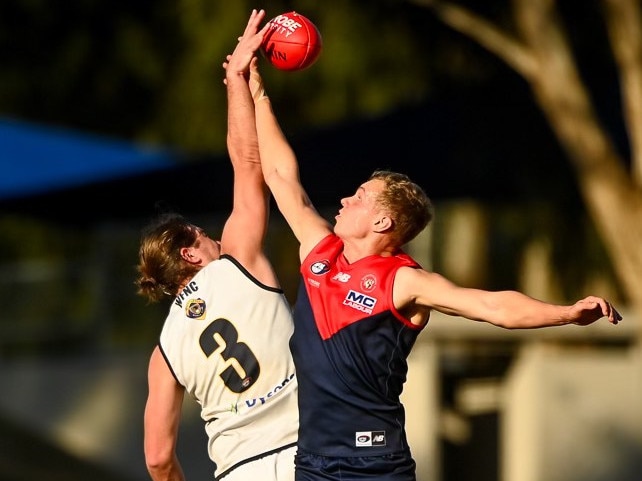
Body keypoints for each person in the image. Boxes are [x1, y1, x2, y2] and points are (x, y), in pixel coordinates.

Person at [228, 9, 623, 481]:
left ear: (382, 219)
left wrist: (564, 313)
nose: (343, 199)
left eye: (358, 197)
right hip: (312, 462)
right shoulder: (320, 253)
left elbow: (492, 307)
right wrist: (253, 86)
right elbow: (279, 176)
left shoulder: (404, 281)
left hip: (374, 466)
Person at [135, 10, 297, 481]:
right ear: (189, 252)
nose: (218, 238)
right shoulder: (239, 262)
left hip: (239, 470)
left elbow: (157, 457)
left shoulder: (164, 352)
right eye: (206, 236)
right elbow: (248, 161)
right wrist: (236, 78)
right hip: (309, 452)